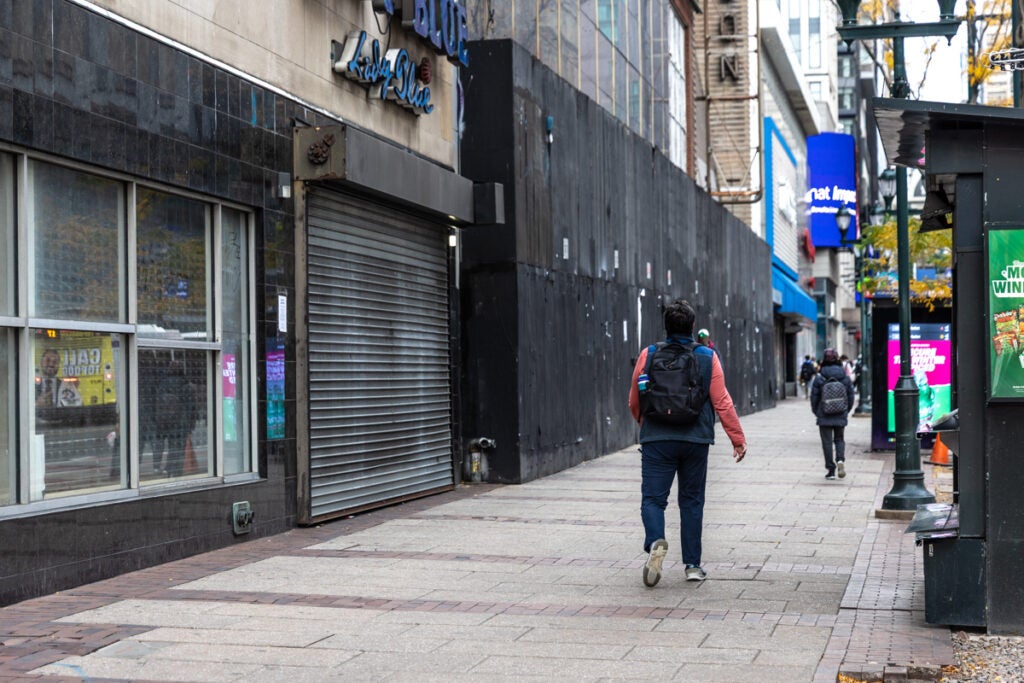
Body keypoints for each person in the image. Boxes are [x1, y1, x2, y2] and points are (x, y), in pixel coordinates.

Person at [629, 299, 747, 586]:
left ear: (666, 326)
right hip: (695, 439)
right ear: (693, 326)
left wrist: (646, 425)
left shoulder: (649, 354)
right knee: (692, 501)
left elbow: (634, 398)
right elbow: (722, 401)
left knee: (653, 499)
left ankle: (655, 541)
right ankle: (693, 566)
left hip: (657, 437)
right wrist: (737, 438)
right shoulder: (707, 356)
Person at [810, 348, 855, 480]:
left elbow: (814, 397)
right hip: (840, 413)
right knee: (839, 439)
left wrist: (817, 412)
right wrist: (846, 410)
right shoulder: (844, 377)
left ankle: (831, 470)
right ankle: (840, 460)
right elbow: (851, 397)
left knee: (827, 442)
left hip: (824, 413)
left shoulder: (820, 377)